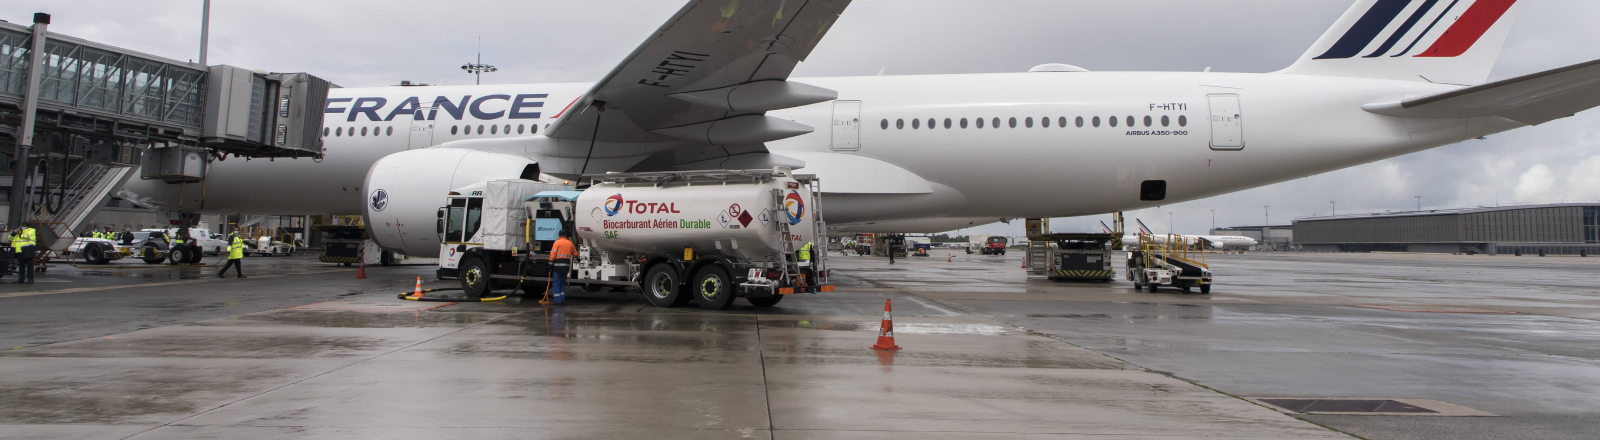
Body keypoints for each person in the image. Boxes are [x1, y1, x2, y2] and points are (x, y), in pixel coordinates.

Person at [543, 229, 577, 304]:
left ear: (559, 235)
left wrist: (550, 264)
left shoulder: (557, 242)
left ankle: (557, 300)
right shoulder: (570, 243)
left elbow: (553, 254)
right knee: (562, 283)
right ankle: (562, 299)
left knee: (556, 283)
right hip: (566, 268)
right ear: (565, 235)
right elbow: (575, 254)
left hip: (557, 268)